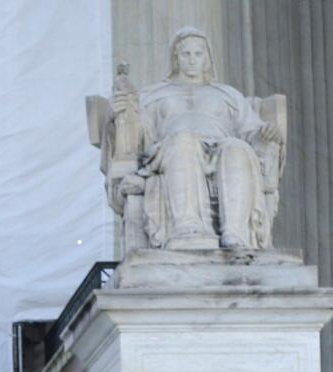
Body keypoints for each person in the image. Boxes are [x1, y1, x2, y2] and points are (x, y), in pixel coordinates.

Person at [114, 26, 281, 250]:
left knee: (238, 148)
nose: (192, 60)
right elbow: (140, 134)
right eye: (186, 54)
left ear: (207, 58)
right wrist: (127, 109)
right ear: (176, 58)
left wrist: (264, 134)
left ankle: (235, 232)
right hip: (172, 148)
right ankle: (187, 227)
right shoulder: (153, 95)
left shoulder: (228, 95)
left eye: (198, 54)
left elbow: (250, 129)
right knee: (184, 141)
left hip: (221, 146)